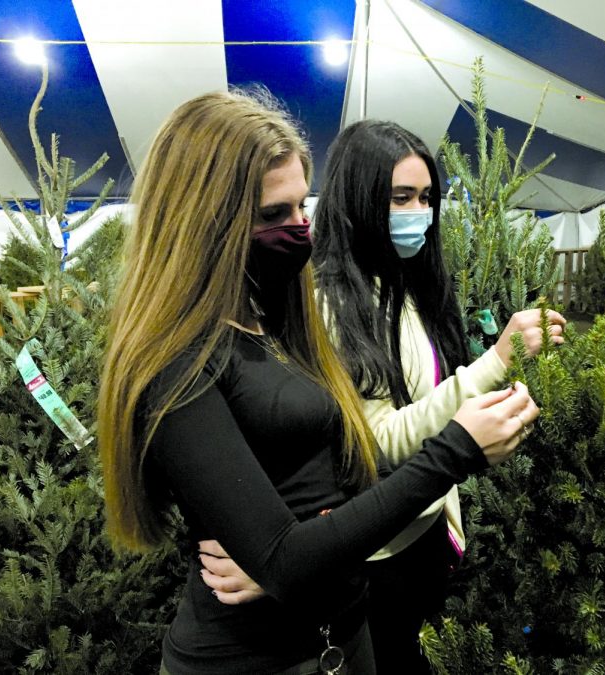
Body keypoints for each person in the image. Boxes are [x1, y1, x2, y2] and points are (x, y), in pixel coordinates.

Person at [97, 91, 540, 675]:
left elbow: (336, 477)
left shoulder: (277, 320)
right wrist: (458, 447)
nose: (300, 230)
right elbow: (285, 557)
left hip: (342, 636)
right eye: (273, 215)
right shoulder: (176, 362)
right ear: (203, 221)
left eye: (302, 208)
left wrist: (303, 548)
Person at [197, 119, 564, 673]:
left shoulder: (403, 286)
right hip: (373, 556)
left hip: (422, 534)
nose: (418, 211)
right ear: (360, 200)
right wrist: (494, 367)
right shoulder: (325, 304)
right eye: (400, 197)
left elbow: (425, 394)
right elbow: (375, 440)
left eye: (426, 197)